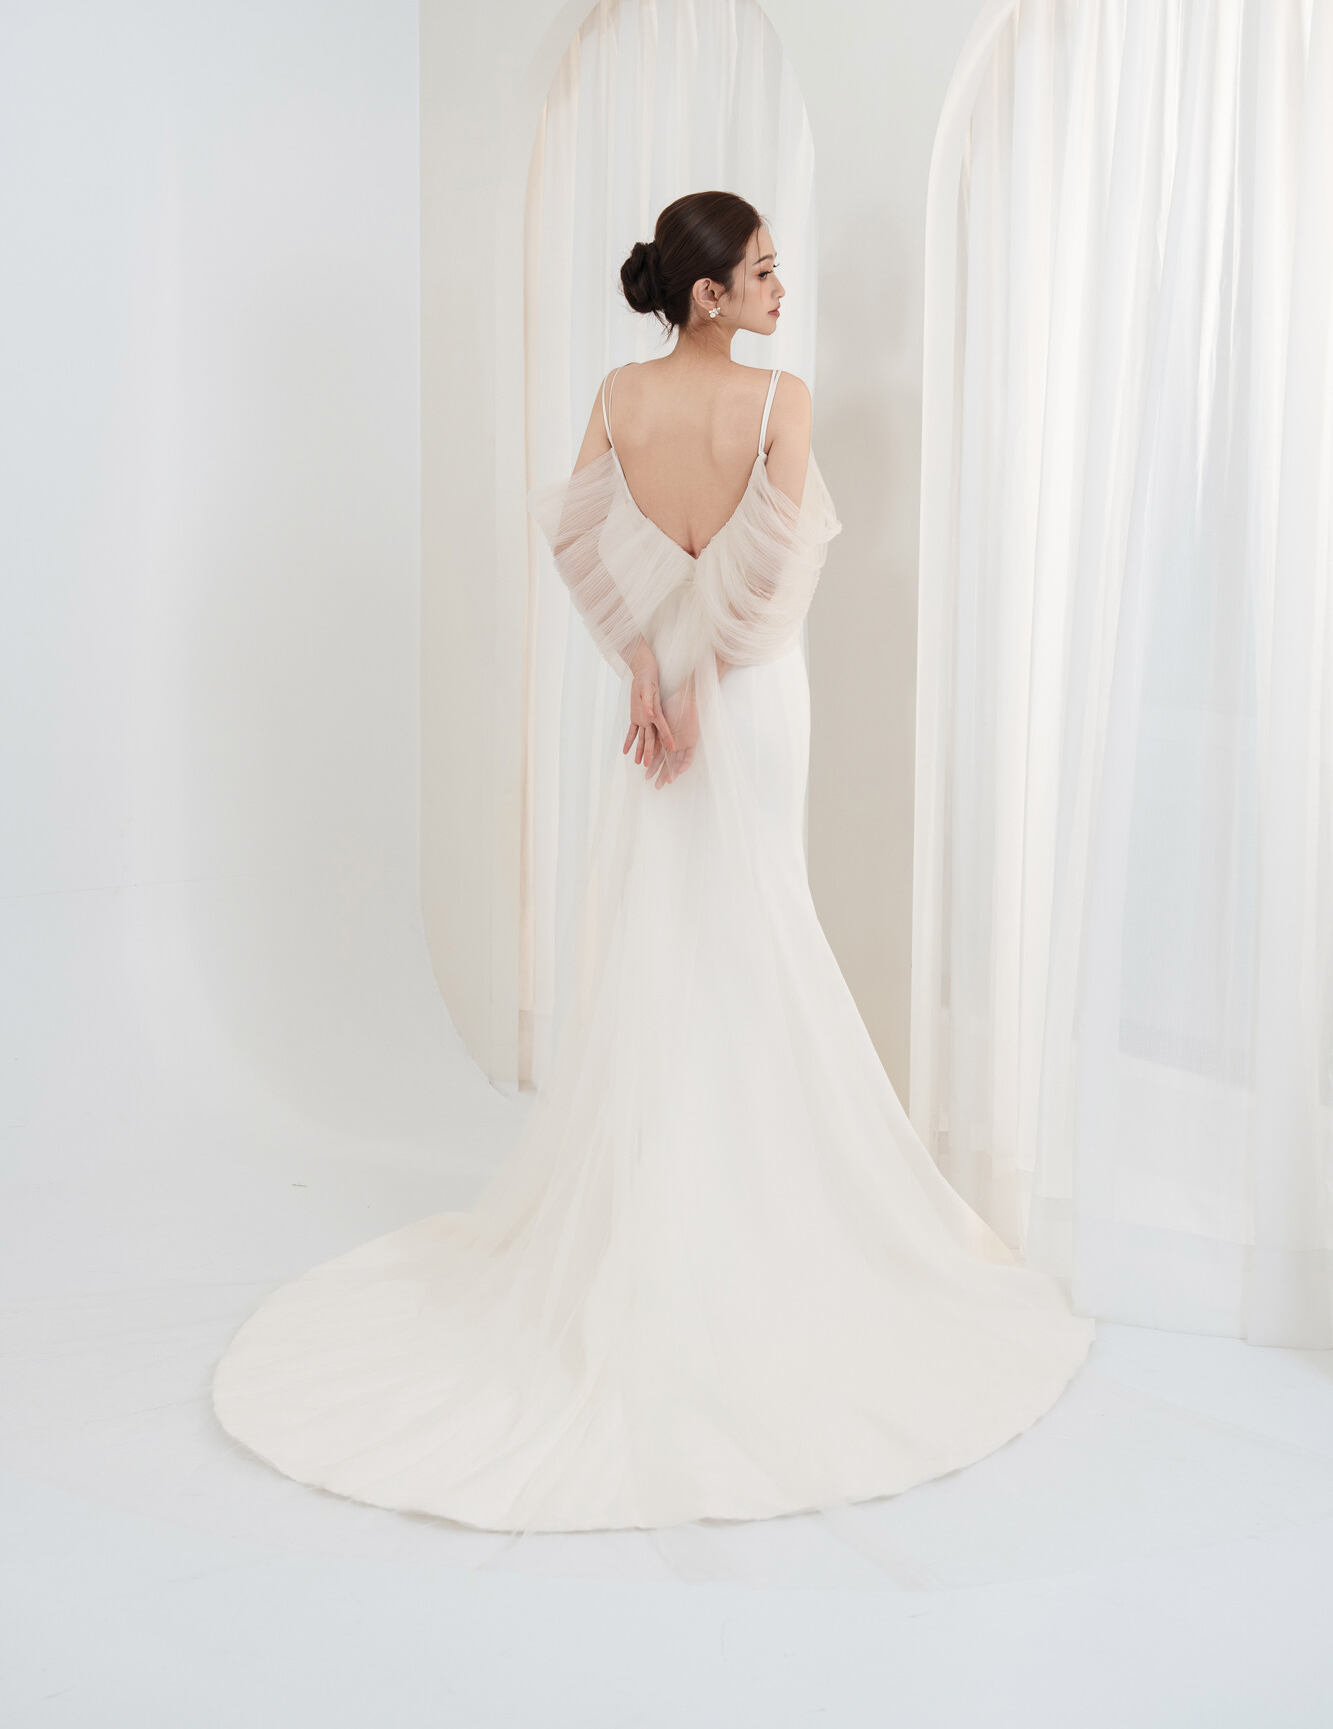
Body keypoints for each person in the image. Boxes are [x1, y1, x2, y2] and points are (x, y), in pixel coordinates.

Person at [213, 190, 1092, 1532]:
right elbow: (772, 578)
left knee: (676, 930)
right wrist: (696, 683)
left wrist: (645, 667)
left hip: (659, 696)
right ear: (706, 296)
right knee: (751, 923)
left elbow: (577, 537)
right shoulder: (780, 399)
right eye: (762, 272)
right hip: (746, 699)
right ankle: (752, 1220)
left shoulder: (621, 398)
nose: (781, 290)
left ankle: (674, 1218)